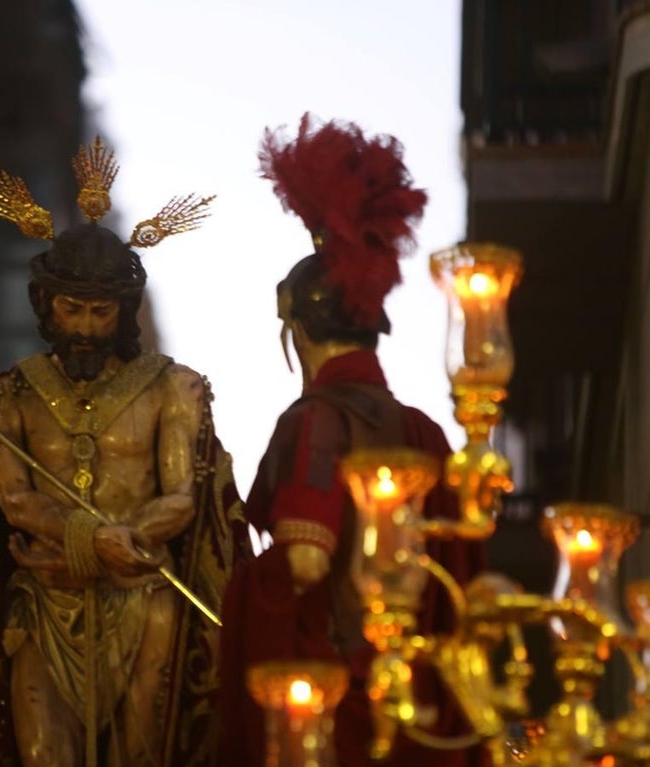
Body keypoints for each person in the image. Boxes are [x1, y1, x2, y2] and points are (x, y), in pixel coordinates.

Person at [0, 139, 251, 767]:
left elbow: (181, 498)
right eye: (71, 309)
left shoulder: (174, 389)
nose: (84, 326)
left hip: (145, 601)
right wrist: (89, 539)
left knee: (140, 753)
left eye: (100, 311)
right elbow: (16, 499)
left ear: (123, 310)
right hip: (43, 597)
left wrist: (116, 543)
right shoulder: (8, 396)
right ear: (46, 306)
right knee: (40, 751)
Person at [217, 115, 489, 767]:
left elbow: (306, 562)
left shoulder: (314, 422)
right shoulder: (427, 431)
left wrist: (235, 575)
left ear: (299, 334)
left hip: (336, 723)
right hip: (426, 721)